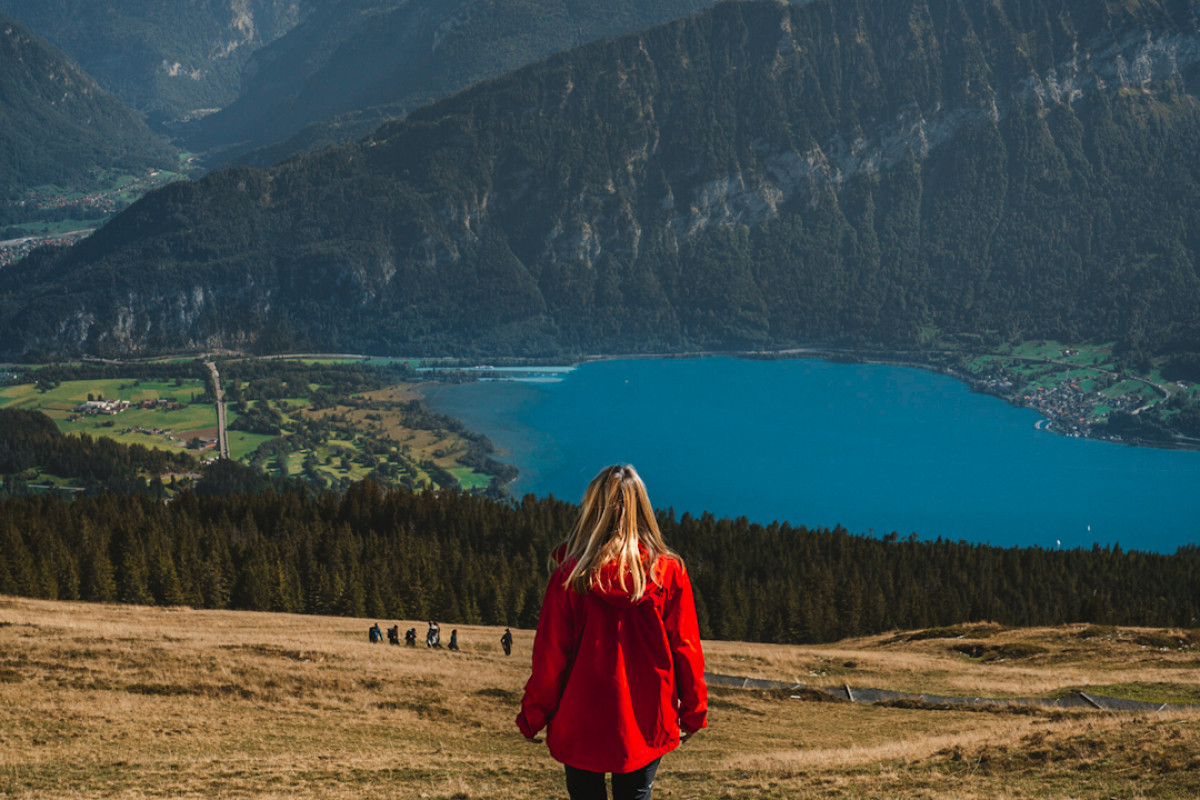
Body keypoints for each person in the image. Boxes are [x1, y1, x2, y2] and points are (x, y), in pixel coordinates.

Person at [516, 464, 707, 800]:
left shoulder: (570, 576)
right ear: (642, 510)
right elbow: (686, 648)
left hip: (579, 720)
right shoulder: (667, 572)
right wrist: (693, 713)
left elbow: (550, 659)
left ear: (592, 509)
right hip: (645, 722)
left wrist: (533, 716)